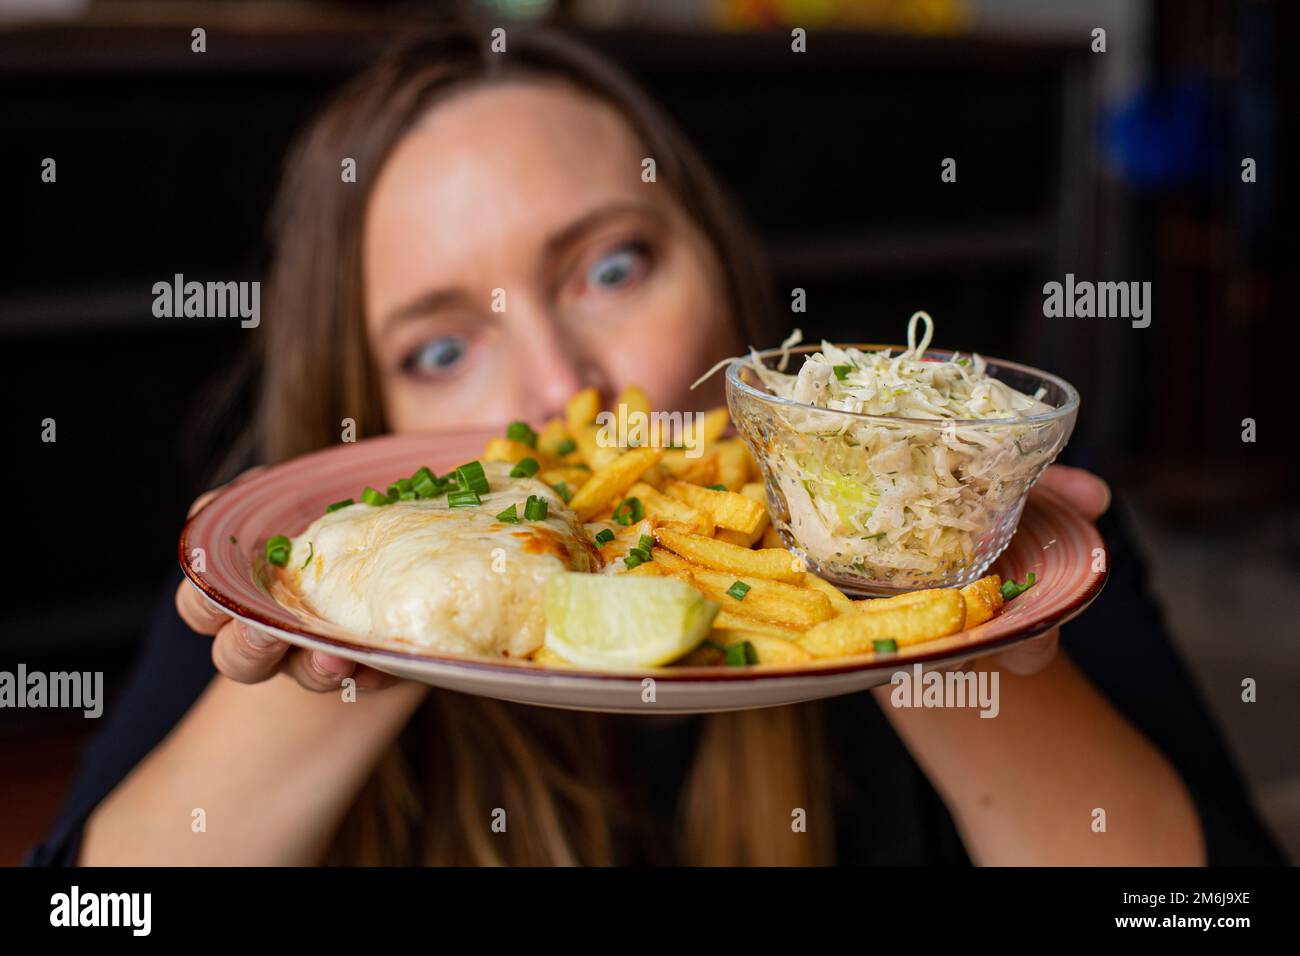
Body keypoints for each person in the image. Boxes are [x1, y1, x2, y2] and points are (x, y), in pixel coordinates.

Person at [31, 26, 1282, 866]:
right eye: (439, 349)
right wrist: (356, 620)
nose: (560, 381)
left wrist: (915, 576)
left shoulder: (995, 514)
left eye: (612, 266)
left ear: (732, 294)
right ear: (360, 412)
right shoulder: (280, 553)